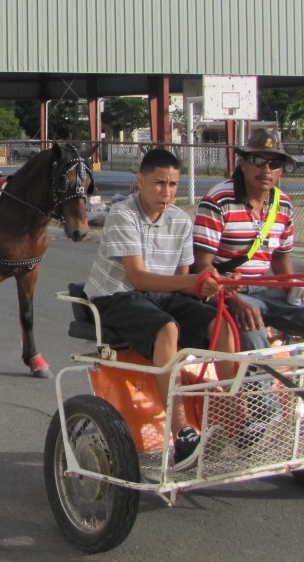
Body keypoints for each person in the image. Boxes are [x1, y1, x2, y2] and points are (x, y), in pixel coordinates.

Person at [85, 148, 238, 466]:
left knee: (222, 322)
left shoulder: (181, 220)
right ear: (140, 181)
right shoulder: (122, 215)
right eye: (158, 183)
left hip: (156, 296)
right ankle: (181, 431)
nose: (166, 192)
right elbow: (138, 278)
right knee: (167, 327)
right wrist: (193, 282)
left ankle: (236, 413)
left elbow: (180, 281)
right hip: (116, 295)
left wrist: (209, 281)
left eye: (172, 184)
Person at [193, 128, 304, 351]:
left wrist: (293, 284)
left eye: (274, 164)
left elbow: (281, 259)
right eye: (257, 160)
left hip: (265, 290)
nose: (266, 169)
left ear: (280, 170)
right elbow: (201, 266)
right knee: (251, 332)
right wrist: (234, 301)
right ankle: (257, 386)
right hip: (225, 293)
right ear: (243, 163)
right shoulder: (218, 200)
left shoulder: (283, 204)